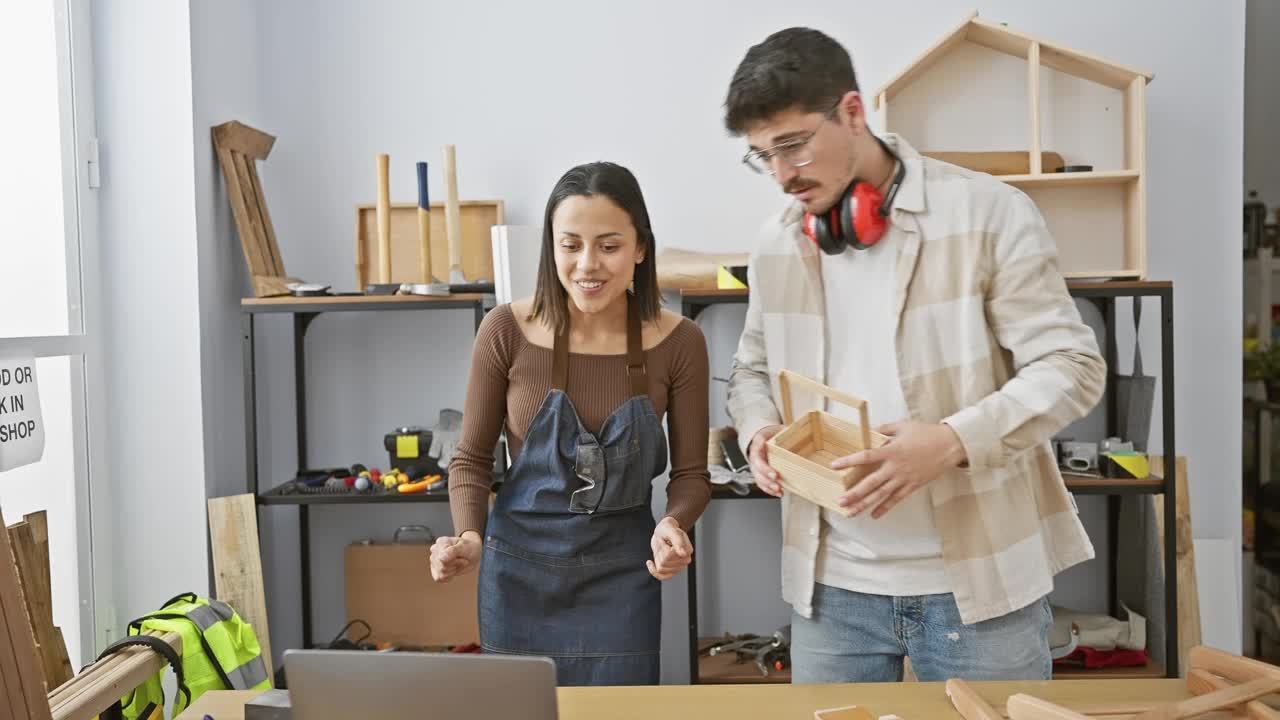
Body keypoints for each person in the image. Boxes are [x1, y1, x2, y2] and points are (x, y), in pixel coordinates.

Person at [722, 28, 1106, 683]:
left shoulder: (989, 214)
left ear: (852, 111)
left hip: (980, 586)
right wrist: (759, 431)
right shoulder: (777, 243)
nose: (782, 175)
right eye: (763, 156)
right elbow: (752, 370)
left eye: (793, 144)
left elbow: (1071, 368)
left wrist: (951, 441)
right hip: (829, 591)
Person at [429, 161, 712, 686]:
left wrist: (672, 525)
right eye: (570, 244)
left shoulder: (680, 342)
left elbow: (692, 474)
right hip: (516, 579)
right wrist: (468, 534)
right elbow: (471, 459)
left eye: (609, 245)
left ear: (641, 248)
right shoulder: (504, 331)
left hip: (624, 580)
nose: (588, 264)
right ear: (550, 248)